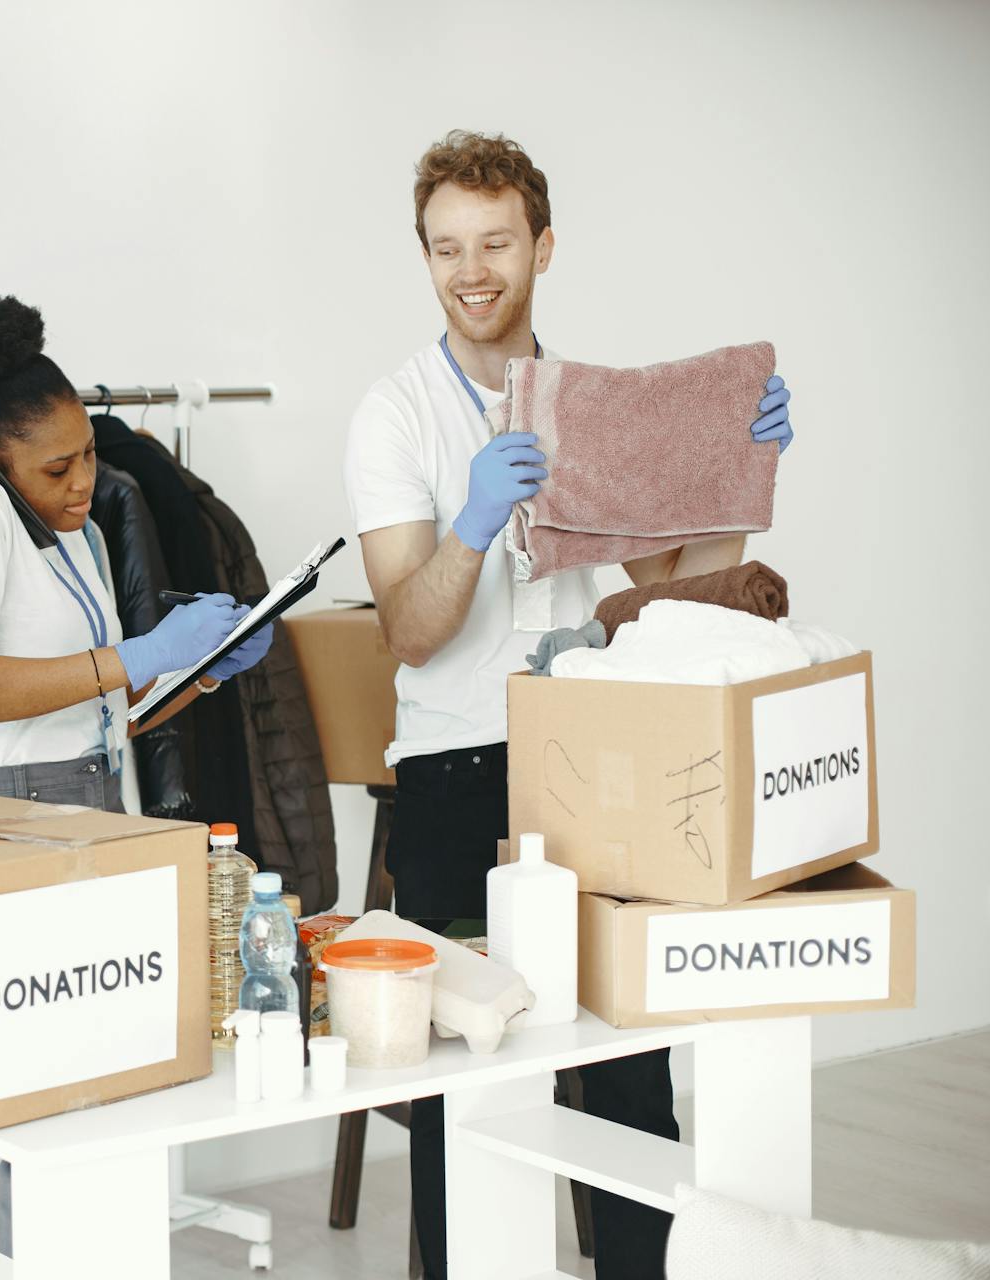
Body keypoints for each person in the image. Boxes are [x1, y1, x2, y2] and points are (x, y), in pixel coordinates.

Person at [344, 131, 794, 1280]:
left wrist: (738, 472)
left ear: (543, 246)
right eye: (447, 248)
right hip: (454, 768)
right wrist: (475, 516)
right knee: (469, 1078)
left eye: (495, 242)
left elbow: (673, 594)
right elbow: (407, 628)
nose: (472, 268)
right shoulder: (394, 416)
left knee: (633, 1066)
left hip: (591, 756)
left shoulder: (588, 407)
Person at [0, 294, 276, 1254]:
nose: (84, 483)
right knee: (44, 1097)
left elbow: (105, 707)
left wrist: (198, 669)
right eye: (58, 466)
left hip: (92, 803)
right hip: (8, 821)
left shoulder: (78, 536)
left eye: (92, 457)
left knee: (102, 1086)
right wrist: (137, 656)